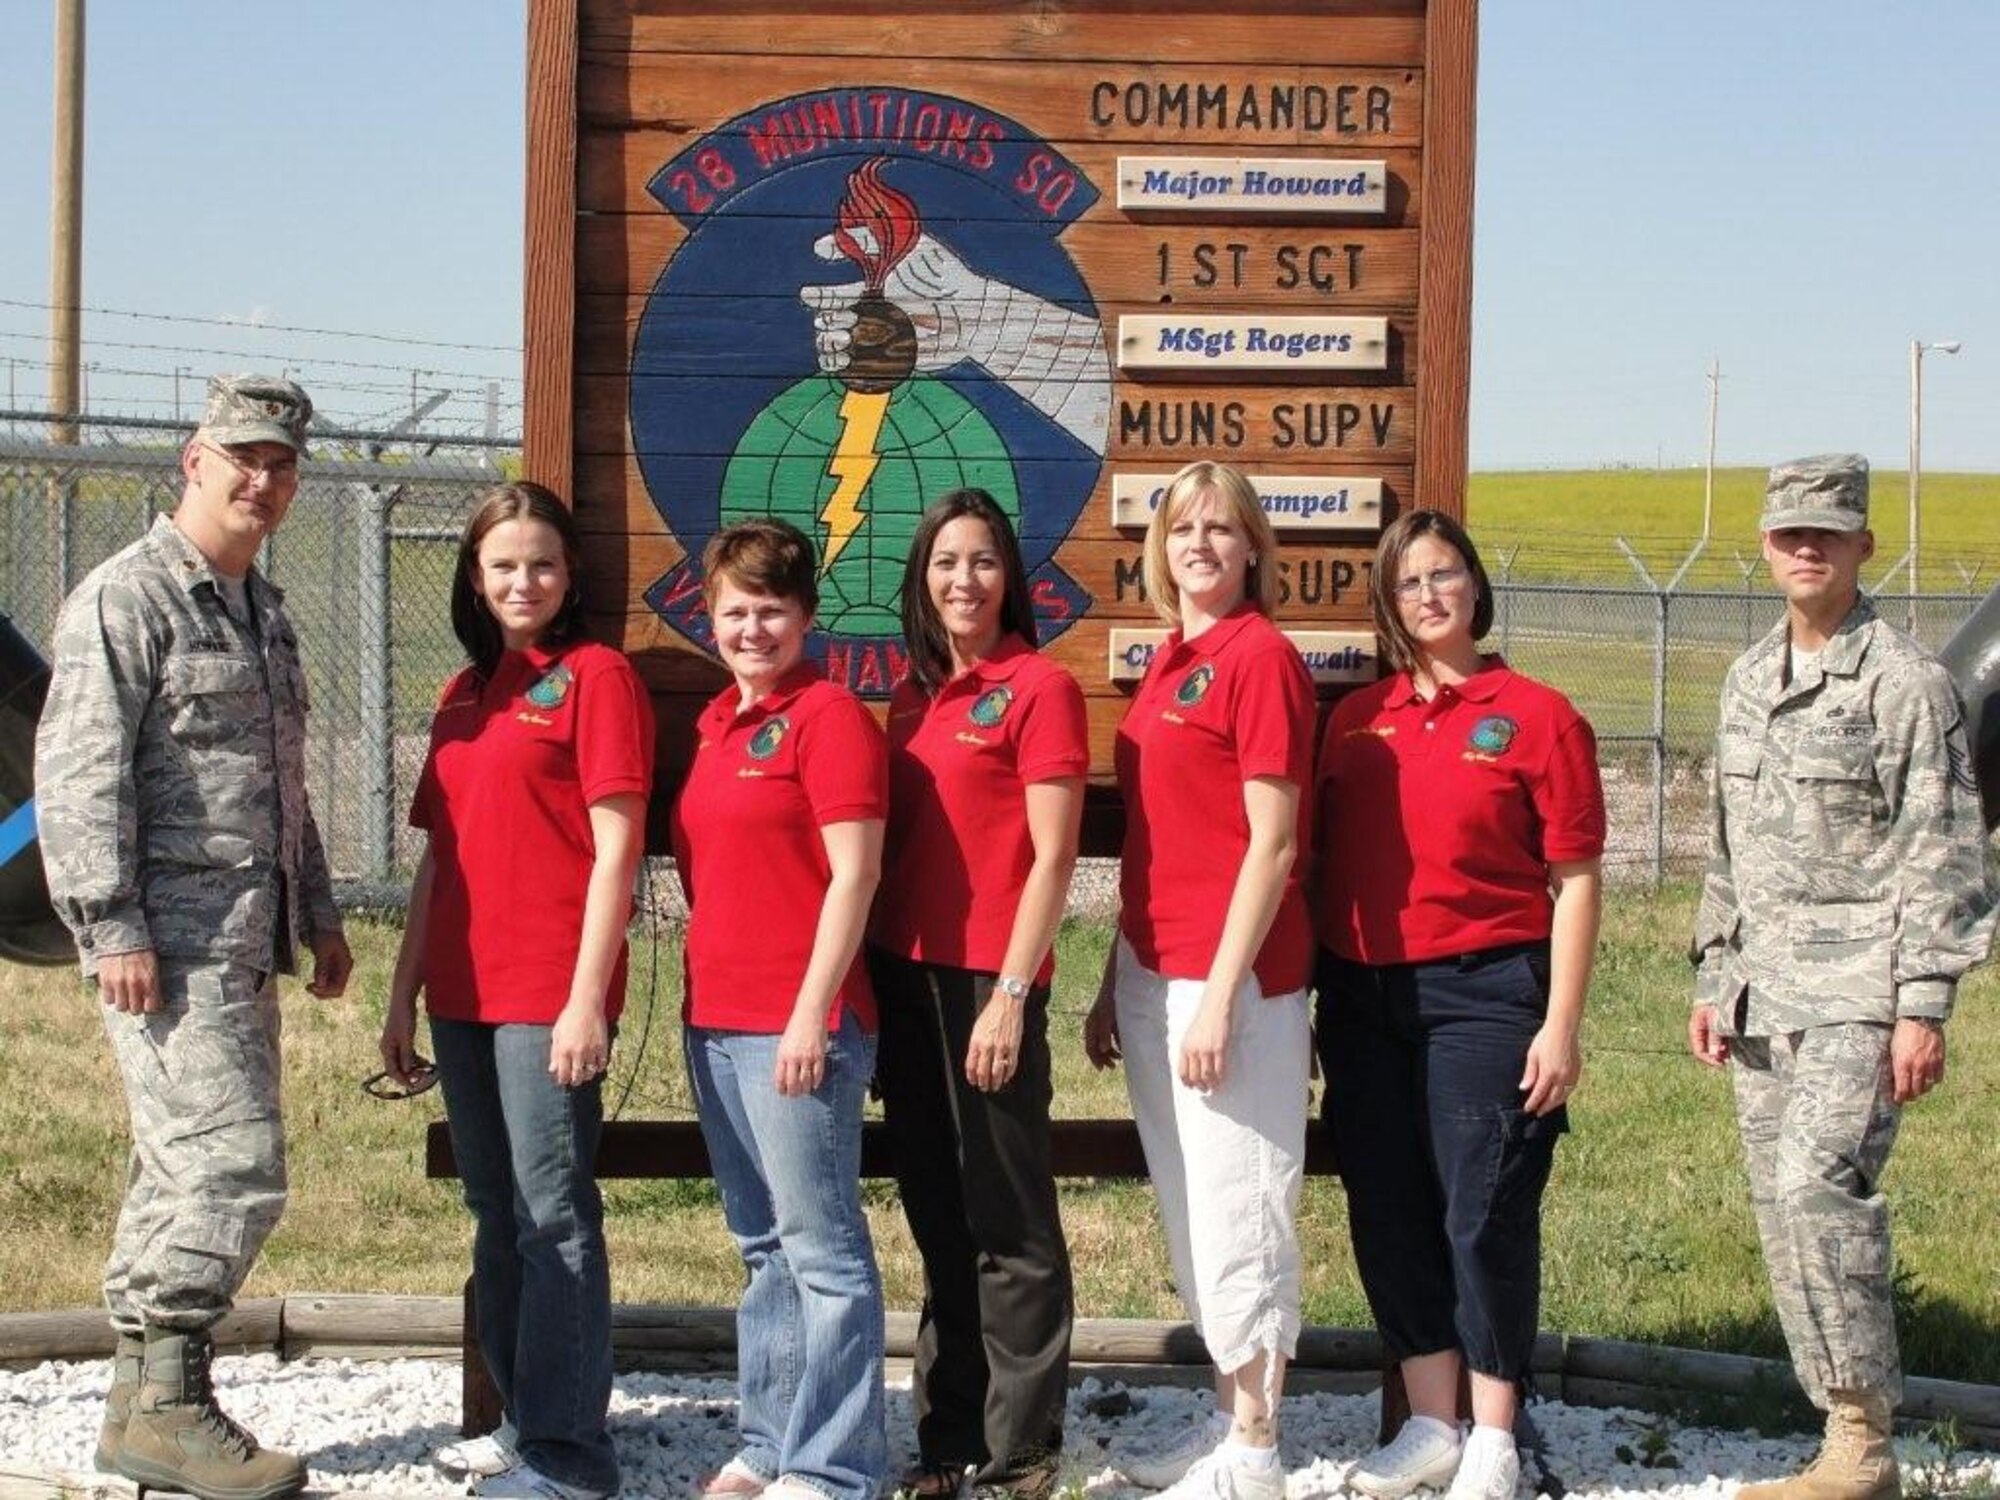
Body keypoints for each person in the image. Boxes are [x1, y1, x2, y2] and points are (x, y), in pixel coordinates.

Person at [34, 374, 353, 1500]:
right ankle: (169, 1400)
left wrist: (316, 912)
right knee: (231, 1166)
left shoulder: (260, 612)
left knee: (181, 1167)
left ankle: (142, 1412)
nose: (262, 482)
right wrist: (109, 924)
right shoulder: (129, 599)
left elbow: (282, 782)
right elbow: (77, 779)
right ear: (194, 459)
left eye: (281, 465)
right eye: (244, 459)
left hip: (242, 935)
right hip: (163, 944)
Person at [1689, 455, 1997, 1500]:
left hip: (1860, 993)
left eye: (1826, 533)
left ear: (1864, 545)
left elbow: (1942, 849)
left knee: (1819, 1192)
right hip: (1763, 995)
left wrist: (1923, 1006)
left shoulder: (1904, 685)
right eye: (1787, 534)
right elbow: (1728, 849)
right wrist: (1710, 975)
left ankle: (1863, 1438)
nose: (1805, 550)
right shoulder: (1744, 683)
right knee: (1779, 1215)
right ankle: (1834, 1429)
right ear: (1766, 546)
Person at [1312, 510, 1604, 1500]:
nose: (1429, 595)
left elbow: (1572, 877)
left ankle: (1493, 1432)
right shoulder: (1355, 722)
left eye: (1444, 576)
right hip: (1361, 998)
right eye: (1407, 583)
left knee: (1480, 1212)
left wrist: (1558, 1023)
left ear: (1474, 587)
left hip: (1485, 994)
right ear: (1387, 607)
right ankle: (1431, 1421)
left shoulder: (1536, 716)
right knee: (1386, 1209)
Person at [379, 483, 651, 1499]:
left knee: (553, 1217)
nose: (522, 580)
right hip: (460, 992)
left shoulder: (597, 678)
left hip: (548, 992)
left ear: (569, 574)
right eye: (502, 565)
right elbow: (436, 863)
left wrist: (587, 998)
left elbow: (618, 847)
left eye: (539, 563)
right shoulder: (462, 691)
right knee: (496, 1213)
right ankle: (523, 1419)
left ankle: (571, 1458)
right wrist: (402, 994)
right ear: (475, 577)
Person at [1083, 460, 1315, 1500]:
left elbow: (1271, 847)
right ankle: (1228, 1422)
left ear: (1254, 547)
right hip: (1152, 967)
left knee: (1243, 1208)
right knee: (1190, 1208)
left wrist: (1219, 995)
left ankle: (1258, 1450)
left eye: (1223, 530)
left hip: (1235, 983)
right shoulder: (1172, 661)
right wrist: (1112, 975)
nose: (1202, 546)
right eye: (1184, 529)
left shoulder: (1260, 659)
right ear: (1159, 546)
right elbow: (1155, 842)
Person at [869, 490, 1086, 1500]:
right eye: (946, 561)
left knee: (1007, 1221)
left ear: (1011, 577)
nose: (964, 579)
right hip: (902, 979)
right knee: (935, 1215)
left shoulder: (1037, 688)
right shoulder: (910, 699)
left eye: (983, 560)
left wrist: (1009, 993)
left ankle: (1022, 1454)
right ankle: (948, 1437)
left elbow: (1052, 859)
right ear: (922, 579)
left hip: (987, 980)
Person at [671, 519, 889, 1500]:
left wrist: (811, 1015)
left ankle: (833, 1465)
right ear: (707, 617)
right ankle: (768, 1443)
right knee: (762, 1250)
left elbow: (854, 876)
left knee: (823, 1253)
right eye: (733, 611)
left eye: (770, 609)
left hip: (798, 1024)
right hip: (714, 1019)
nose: (751, 628)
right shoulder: (716, 723)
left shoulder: (829, 717)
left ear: (805, 616)